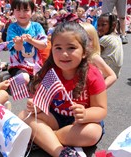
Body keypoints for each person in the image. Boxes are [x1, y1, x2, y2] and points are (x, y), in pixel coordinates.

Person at [18, 22, 107, 157]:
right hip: (55, 118)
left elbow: (101, 110)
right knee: (24, 116)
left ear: (84, 52)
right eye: (58, 48)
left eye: (71, 48)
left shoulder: (92, 74)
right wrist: (36, 105)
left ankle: (45, 139)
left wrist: (86, 114)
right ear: (51, 49)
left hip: (80, 124)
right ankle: (60, 152)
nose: (64, 53)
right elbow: (42, 98)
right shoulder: (51, 71)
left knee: (93, 133)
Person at [6, 0, 47, 82]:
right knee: (24, 78)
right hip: (18, 65)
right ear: (13, 11)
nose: (22, 14)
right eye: (18, 10)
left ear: (32, 11)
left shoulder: (37, 26)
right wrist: (18, 43)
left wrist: (31, 40)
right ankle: (12, 81)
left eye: (26, 10)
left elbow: (43, 45)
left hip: (36, 65)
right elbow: (17, 48)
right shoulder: (12, 27)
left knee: (46, 82)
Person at [80, 22, 117, 88]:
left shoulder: (94, 57)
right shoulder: (75, 56)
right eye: (80, 39)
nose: (84, 43)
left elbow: (112, 76)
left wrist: (99, 90)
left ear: (94, 41)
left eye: (89, 39)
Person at [97, 13, 123, 78]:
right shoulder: (117, 37)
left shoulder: (105, 38)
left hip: (105, 72)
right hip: (115, 73)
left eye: (103, 25)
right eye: (98, 25)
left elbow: (95, 53)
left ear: (113, 25)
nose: (100, 28)